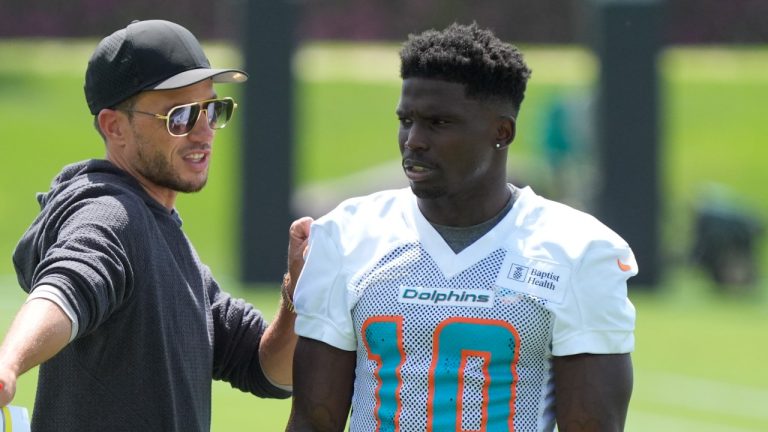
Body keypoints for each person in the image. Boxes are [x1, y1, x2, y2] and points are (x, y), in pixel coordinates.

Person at [286, 23, 637, 431]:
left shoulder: (577, 250)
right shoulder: (348, 235)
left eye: (439, 123)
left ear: (501, 132)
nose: (413, 140)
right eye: (406, 120)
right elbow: (314, 419)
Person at [0, 19, 311, 431]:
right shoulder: (112, 214)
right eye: (179, 116)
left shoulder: (166, 237)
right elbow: (68, 284)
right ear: (115, 127)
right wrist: (8, 364)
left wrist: (296, 292)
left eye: (212, 109)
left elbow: (269, 368)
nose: (204, 133)